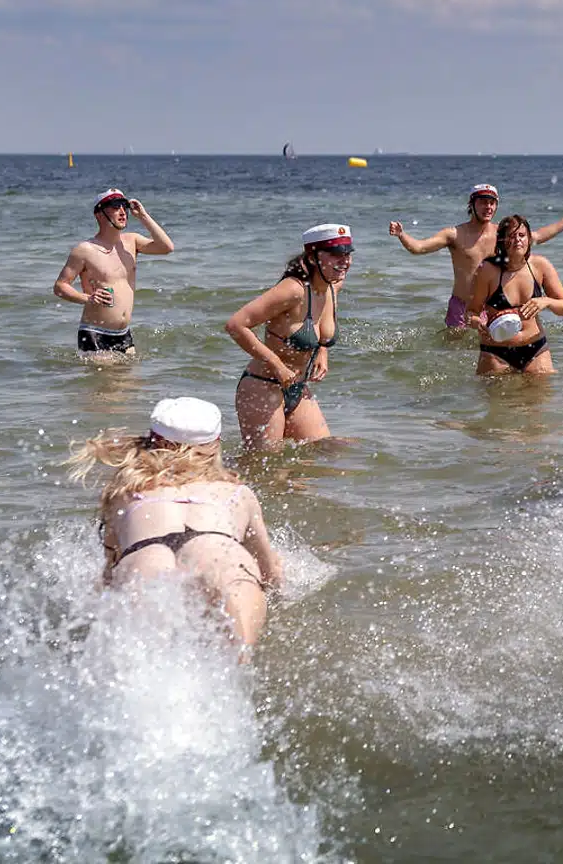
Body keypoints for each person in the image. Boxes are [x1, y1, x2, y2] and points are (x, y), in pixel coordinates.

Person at [67, 397, 284, 652]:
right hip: (218, 557)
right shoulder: (237, 493)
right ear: (215, 445)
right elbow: (271, 572)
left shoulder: (124, 492)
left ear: (153, 441)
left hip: (146, 559)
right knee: (236, 657)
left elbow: (109, 570)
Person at [387, 184, 563, 329]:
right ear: (472, 204)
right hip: (461, 307)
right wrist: (402, 235)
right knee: (454, 356)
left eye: (492, 203)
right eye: (483, 202)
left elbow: (537, 237)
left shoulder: (503, 234)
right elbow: (419, 248)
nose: (488, 207)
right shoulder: (454, 234)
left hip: (494, 308)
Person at [226, 223, 353, 449]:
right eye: (335, 255)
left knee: (326, 451)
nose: (344, 261)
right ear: (312, 257)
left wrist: (322, 350)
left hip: (298, 387)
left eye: (347, 254)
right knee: (264, 465)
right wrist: (277, 365)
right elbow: (236, 325)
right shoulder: (293, 290)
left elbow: (320, 328)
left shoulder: (332, 286)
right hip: (263, 386)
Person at [52, 188, 175, 359]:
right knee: (106, 377)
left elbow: (166, 247)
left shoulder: (132, 241)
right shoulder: (85, 250)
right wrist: (87, 298)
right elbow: (60, 286)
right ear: (99, 214)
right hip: (96, 333)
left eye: (124, 206)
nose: (123, 212)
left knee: (131, 376)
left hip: (124, 334)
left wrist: (143, 216)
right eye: (115, 206)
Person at [463, 215, 563, 375]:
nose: (517, 240)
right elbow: (470, 312)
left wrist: (546, 301)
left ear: (529, 239)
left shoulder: (540, 266)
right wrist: (477, 322)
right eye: (511, 236)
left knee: (543, 391)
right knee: (494, 392)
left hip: (536, 349)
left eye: (522, 235)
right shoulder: (487, 270)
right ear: (501, 240)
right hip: (496, 352)